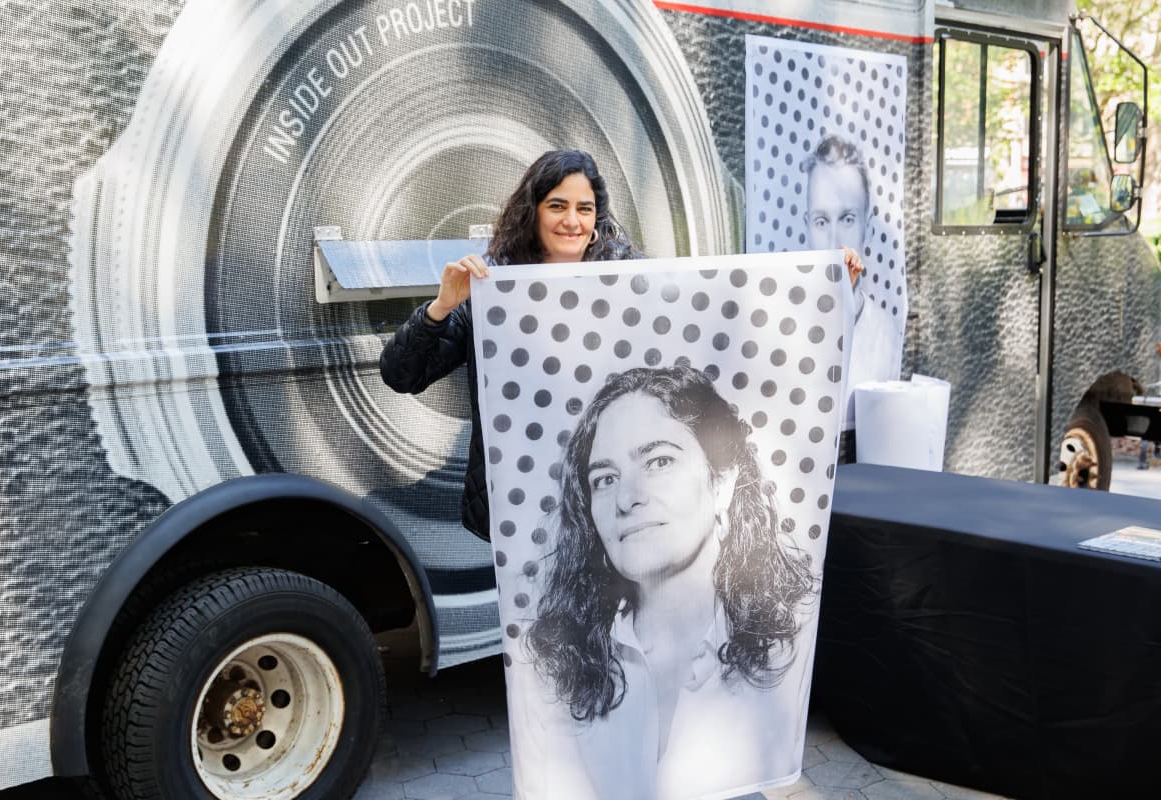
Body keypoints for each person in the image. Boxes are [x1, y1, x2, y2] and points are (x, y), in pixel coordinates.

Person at [517, 366, 817, 799]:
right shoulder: (555, 657)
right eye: (605, 479)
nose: (627, 498)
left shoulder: (795, 628)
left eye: (659, 461)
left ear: (723, 484)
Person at [379, 150, 640, 539]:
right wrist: (442, 306)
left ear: (597, 219)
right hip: (520, 501)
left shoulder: (633, 282)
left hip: (604, 497)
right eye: (557, 206)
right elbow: (402, 375)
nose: (572, 221)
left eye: (584, 209)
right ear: (532, 213)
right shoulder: (492, 288)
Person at [803, 134, 902, 441]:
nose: (834, 241)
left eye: (847, 218)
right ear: (807, 227)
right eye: (821, 221)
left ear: (867, 228)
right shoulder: (780, 325)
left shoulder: (884, 331)